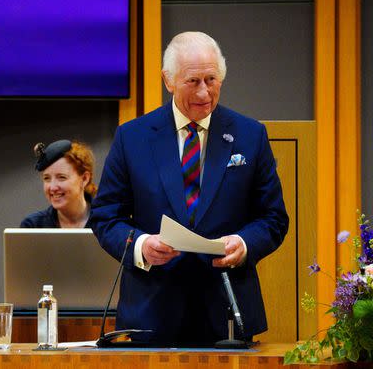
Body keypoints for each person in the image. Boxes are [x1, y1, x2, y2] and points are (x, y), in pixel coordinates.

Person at [91, 31, 288, 346]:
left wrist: (244, 243)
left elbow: (274, 218)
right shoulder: (133, 138)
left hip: (226, 311)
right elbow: (104, 217)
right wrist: (141, 246)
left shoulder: (250, 135)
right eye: (193, 81)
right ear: (168, 80)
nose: (204, 92)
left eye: (212, 79)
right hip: (151, 314)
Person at [21, 140, 98, 228]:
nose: (52, 187)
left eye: (62, 177)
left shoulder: (108, 222)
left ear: (84, 179)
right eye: (47, 178)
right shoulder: (33, 226)